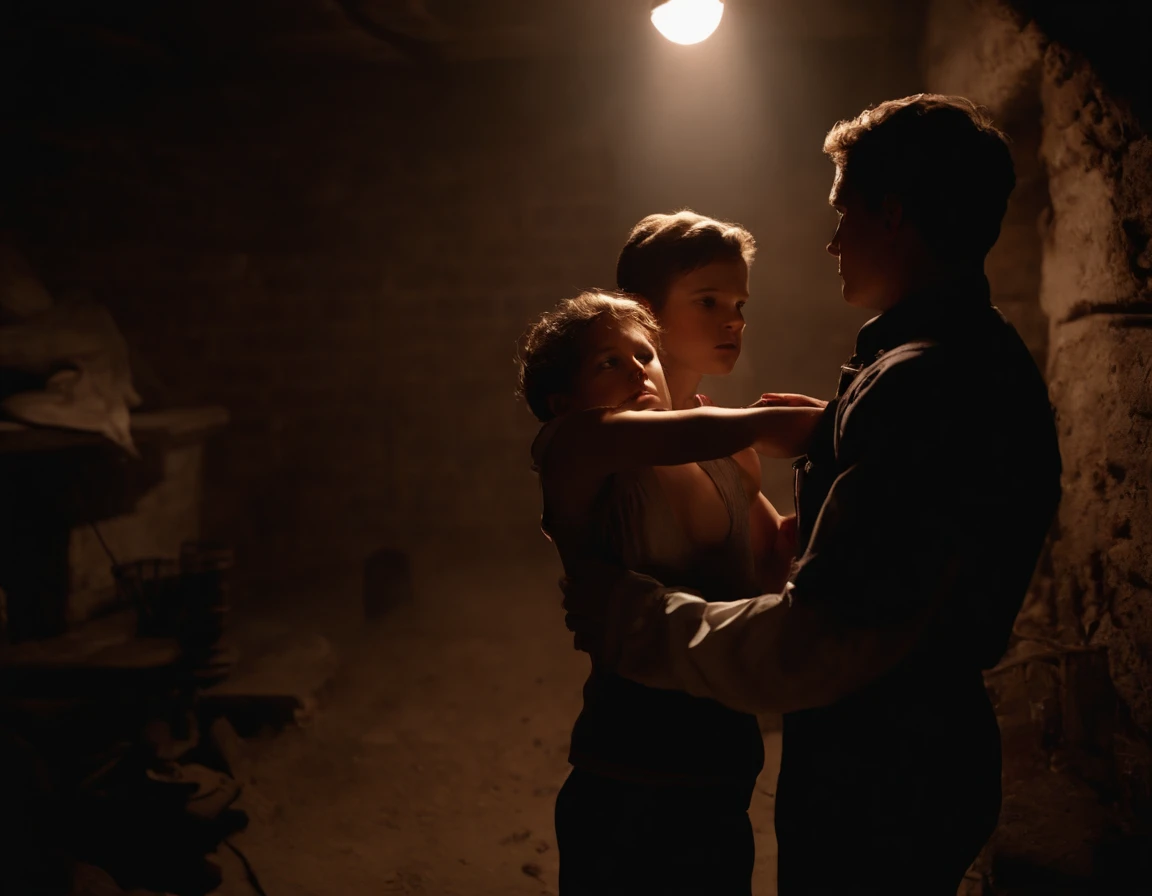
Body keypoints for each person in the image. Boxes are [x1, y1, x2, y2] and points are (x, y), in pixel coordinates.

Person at [561, 94, 1063, 895]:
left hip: (883, 774)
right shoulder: (957, 361)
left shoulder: (922, 385)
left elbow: (821, 640)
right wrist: (825, 438)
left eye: (844, 214)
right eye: (707, 303)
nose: (832, 241)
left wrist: (626, 617)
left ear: (892, 216)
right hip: (884, 757)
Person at [516, 291, 822, 895]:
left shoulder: (719, 458)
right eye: (609, 363)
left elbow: (765, 573)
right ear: (563, 402)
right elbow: (674, 435)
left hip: (723, 774)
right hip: (627, 774)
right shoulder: (570, 450)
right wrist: (780, 425)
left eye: (646, 354)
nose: (639, 371)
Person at [615, 210, 820, 589]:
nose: (736, 321)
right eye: (708, 302)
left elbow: (773, 549)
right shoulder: (615, 432)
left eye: (739, 304)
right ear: (645, 311)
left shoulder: (721, 431)